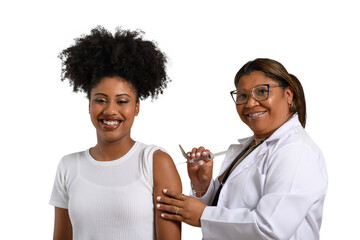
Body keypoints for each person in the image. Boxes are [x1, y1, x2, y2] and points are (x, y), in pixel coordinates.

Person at [156, 58, 328, 239]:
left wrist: (203, 215)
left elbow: (271, 229)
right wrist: (203, 186)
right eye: (242, 95)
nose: (250, 103)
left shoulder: (296, 151)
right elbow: (230, 207)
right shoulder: (251, 147)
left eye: (262, 91)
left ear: (288, 95)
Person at [49, 26, 182, 240]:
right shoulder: (68, 166)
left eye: (122, 101)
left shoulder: (156, 162)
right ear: (89, 105)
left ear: (137, 107)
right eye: (100, 100)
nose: (110, 110)